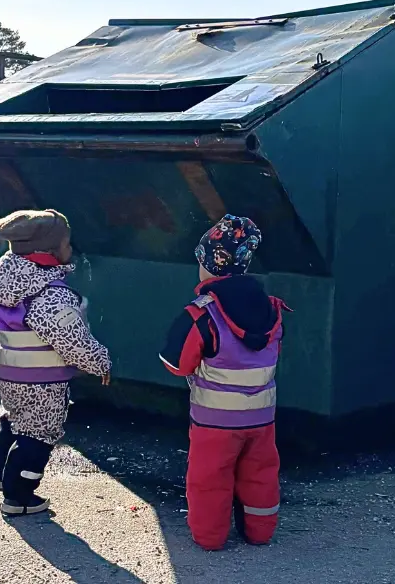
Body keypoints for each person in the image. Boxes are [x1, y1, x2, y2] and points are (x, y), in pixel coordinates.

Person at [158, 214, 290, 550]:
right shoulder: (271, 309)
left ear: (207, 264)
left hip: (214, 422)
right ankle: (260, 533)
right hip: (262, 417)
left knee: (209, 479)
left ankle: (210, 538)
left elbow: (177, 363)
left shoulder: (202, 313)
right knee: (260, 474)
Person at [0, 209, 112, 516]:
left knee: (15, 421)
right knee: (39, 434)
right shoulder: (50, 296)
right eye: (67, 243)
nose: (71, 249)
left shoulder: (12, 285)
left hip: (11, 374)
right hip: (43, 381)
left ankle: (2, 476)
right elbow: (72, 342)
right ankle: (19, 496)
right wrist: (101, 362)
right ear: (49, 252)